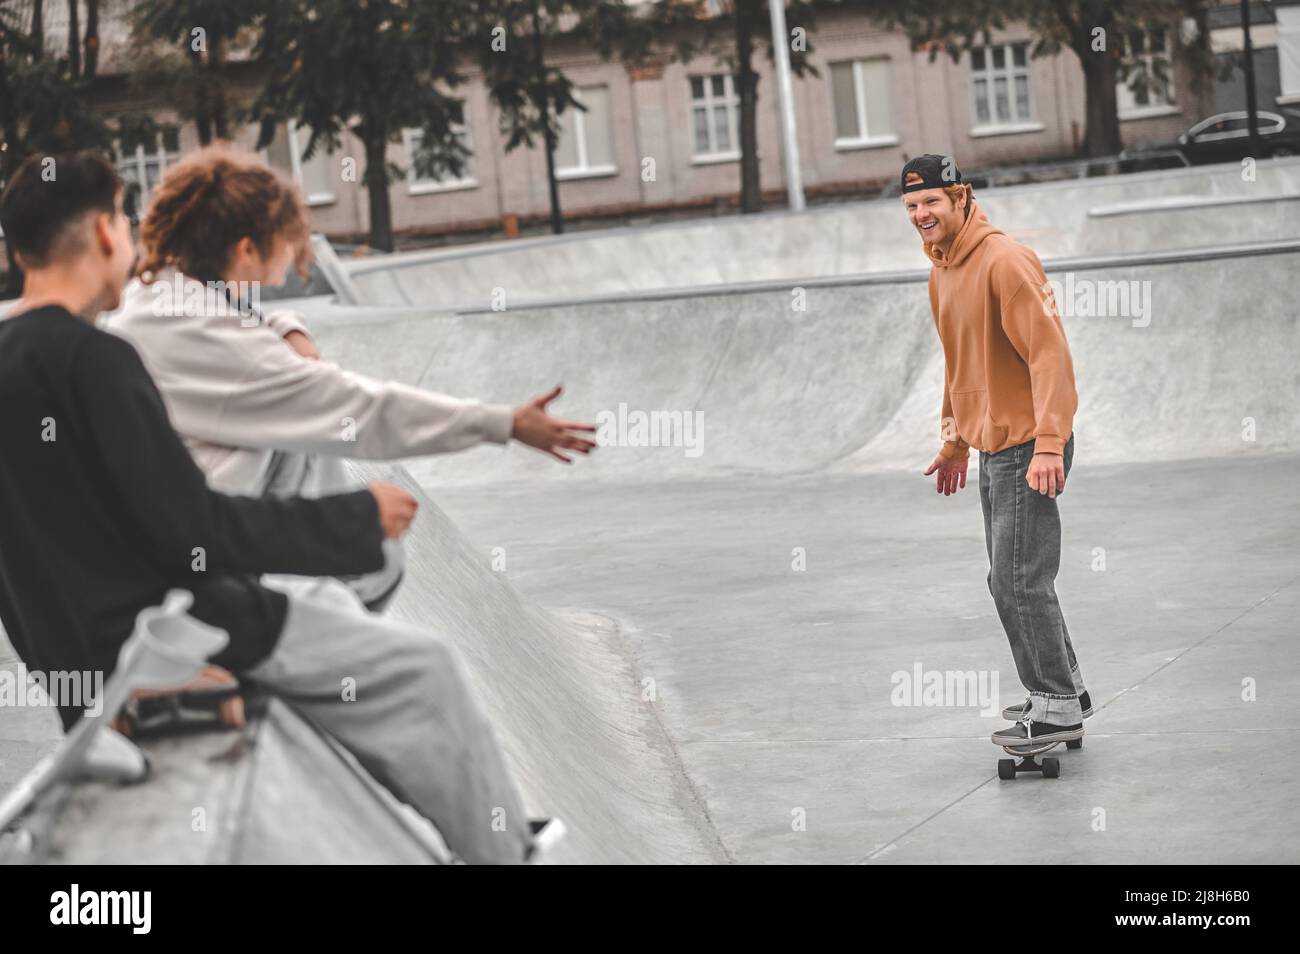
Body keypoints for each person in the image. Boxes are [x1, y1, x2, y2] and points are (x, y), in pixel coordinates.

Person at [0, 150, 546, 863]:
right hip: (178, 634)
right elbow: (193, 530)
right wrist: (356, 520)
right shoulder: (98, 362)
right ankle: (508, 853)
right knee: (423, 670)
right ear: (106, 232)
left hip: (77, 666)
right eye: (127, 225)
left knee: (334, 613)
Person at [104, 143, 596, 611]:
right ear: (247, 249)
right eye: (285, 246)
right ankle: (298, 647)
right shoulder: (211, 336)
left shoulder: (161, 298)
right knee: (377, 557)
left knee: (309, 442)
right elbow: (359, 409)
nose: (288, 267)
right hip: (190, 567)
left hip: (149, 539)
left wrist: (284, 326)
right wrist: (503, 423)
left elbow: (236, 337)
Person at [904, 154, 1094, 750]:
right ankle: (1064, 691)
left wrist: (1050, 444)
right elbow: (961, 364)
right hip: (992, 446)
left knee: (1019, 582)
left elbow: (1050, 357)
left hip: (1029, 445)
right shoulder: (941, 271)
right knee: (1011, 580)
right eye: (911, 206)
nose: (921, 215)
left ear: (961, 197)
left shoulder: (1005, 261)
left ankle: (1056, 706)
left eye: (931, 201)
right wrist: (955, 439)